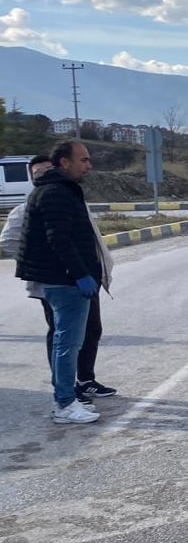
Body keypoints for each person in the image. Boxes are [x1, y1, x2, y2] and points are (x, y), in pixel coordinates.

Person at [4, 152, 118, 409]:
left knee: (90, 330)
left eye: (48, 169)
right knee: (62, 336)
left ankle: (85, 380)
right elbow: (12, 241)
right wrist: (42, 263)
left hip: (84, 277)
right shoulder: (28, 207)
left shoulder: (71, 198)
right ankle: (65, 393)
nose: (46, 175)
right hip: (57, 281)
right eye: (39, 173)